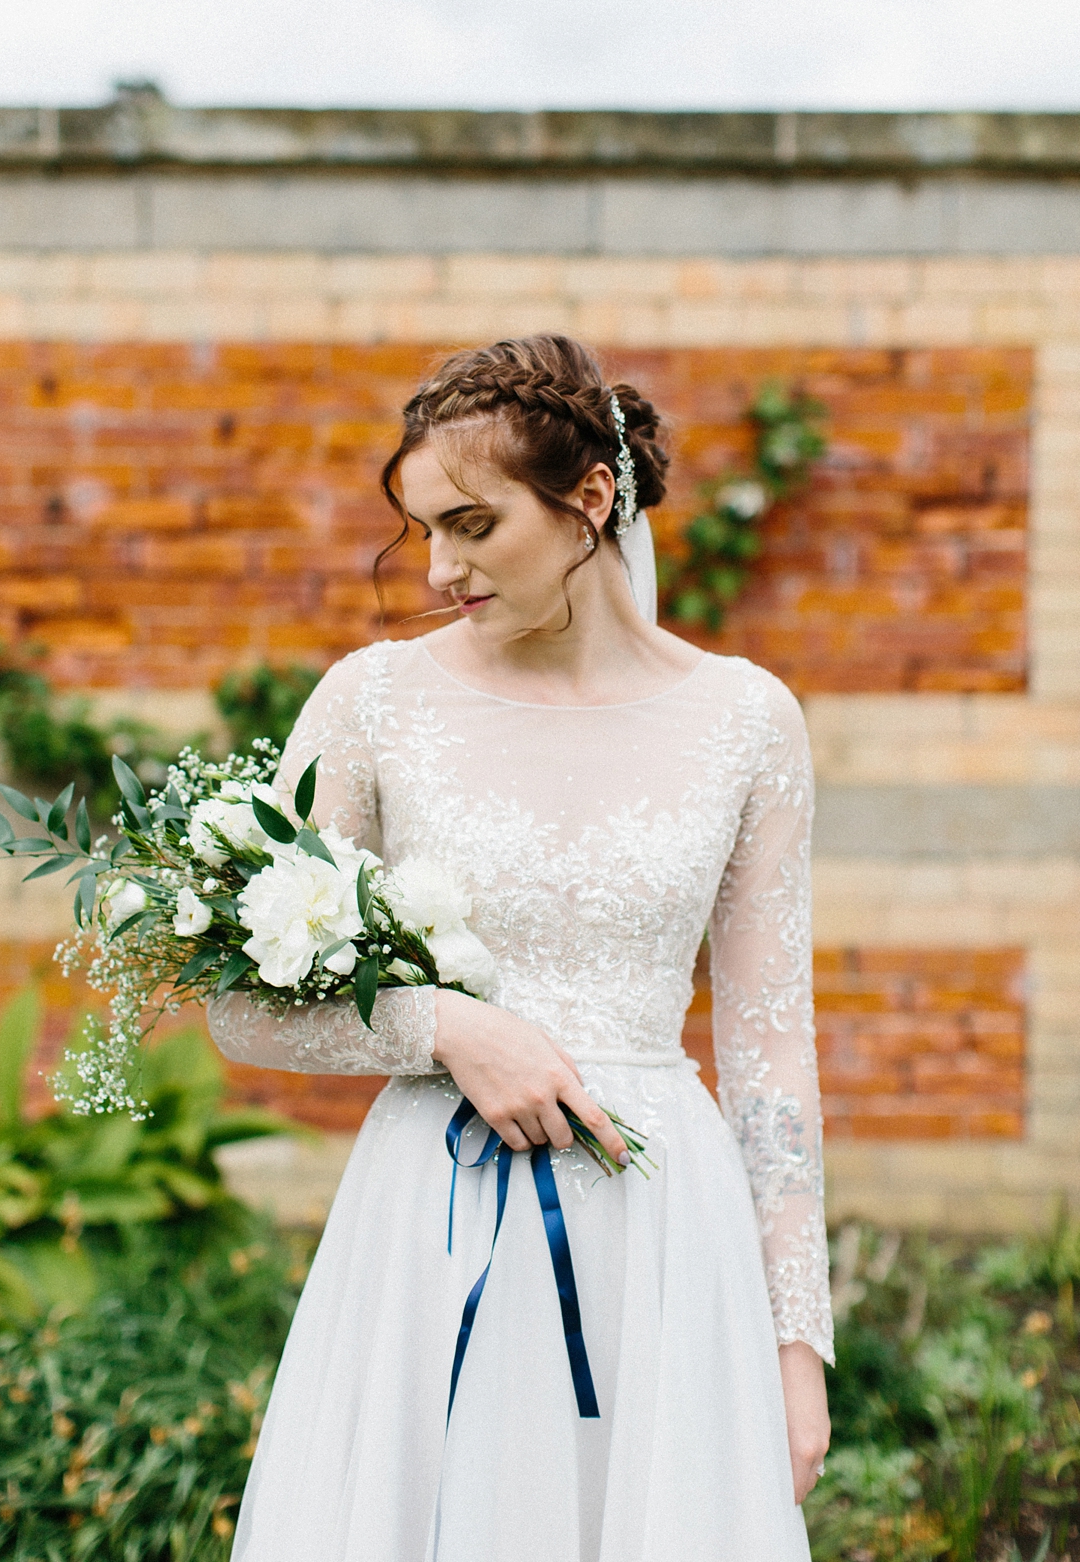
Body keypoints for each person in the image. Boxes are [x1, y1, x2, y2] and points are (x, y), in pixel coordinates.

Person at [208, 334, 833, 1562]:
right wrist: (447, 1029)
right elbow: (243, 1006)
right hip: (433, 1220)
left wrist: (795, 1341)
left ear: (591, 500)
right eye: (423, 529)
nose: (439, 568)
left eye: (473, 526)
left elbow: (771, 1060)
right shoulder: (372, 703)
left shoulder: (747, 721)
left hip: (667, 1239)